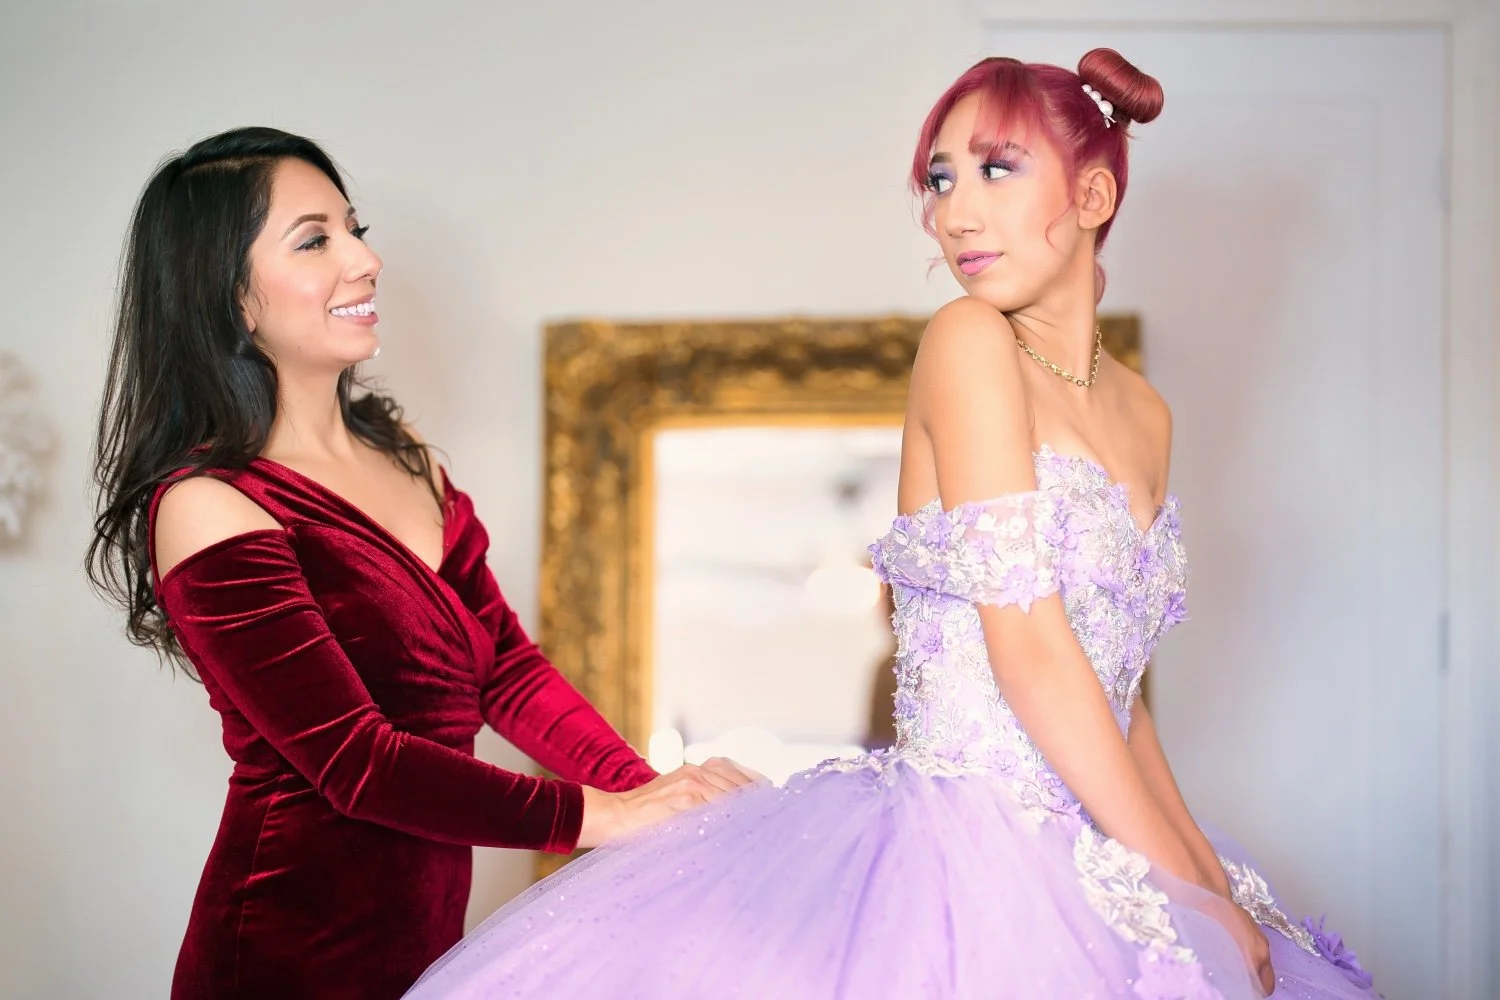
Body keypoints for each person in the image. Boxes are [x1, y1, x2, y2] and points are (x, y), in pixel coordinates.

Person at [402, 50, 1385, 999]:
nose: (955, 212)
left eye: (996, 170)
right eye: (939, 180)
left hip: (1094, 834)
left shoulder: (1147, 412)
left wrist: (1203, 874)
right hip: (961, 851)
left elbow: (1119, 693)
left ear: (1092, 196)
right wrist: (1179, 878)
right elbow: (1031, 649)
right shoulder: (968, 340)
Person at [86, 126, 757, 1000]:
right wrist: (612, 816)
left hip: (426, 947)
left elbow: (507, 672)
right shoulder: (208, 503)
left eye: (355, 229)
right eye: (315, 240)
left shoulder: (407, 461)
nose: (365, 260)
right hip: (284, 955)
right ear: (231, 298)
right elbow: (358, 762)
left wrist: (656, 794)